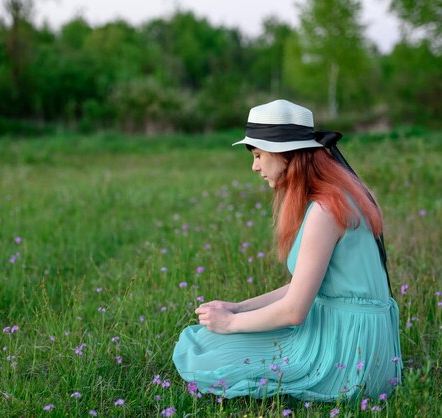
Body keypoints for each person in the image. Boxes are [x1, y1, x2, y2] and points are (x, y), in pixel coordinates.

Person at [172, 99, 402, 401]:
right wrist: (238, 308)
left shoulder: (325, 209)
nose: (254, 166)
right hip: (363, 337)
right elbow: (302, 288)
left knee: (203, 354)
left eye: (258, 155)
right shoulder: (344, 192)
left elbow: (294, 312)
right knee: (203, 340)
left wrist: (231, 323)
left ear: (285, 154)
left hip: (348, 349)